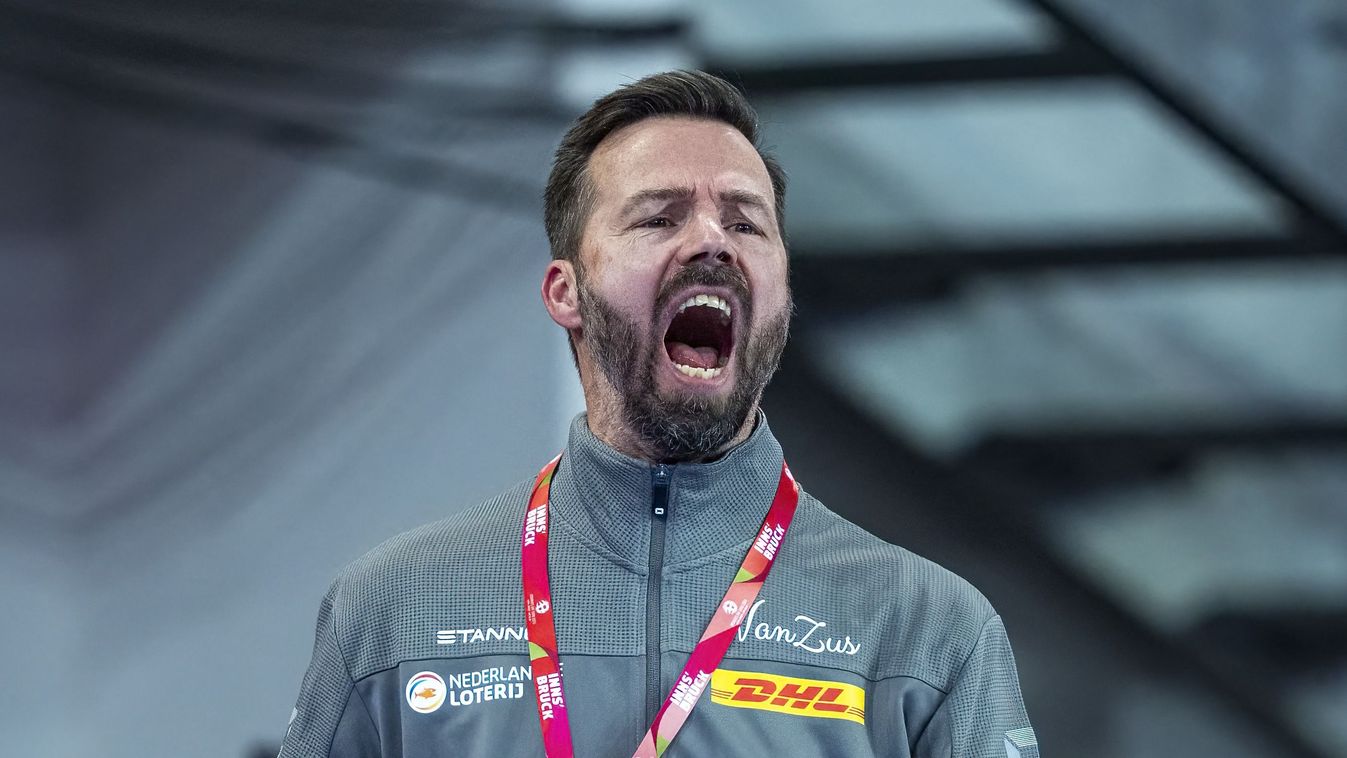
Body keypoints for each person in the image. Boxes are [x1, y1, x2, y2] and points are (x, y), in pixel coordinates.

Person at [278, 70, 1037, 758]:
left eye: (745, 223)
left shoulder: (926, 630)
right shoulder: (393, 611)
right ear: (565, 292)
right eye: (657, 218)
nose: (710, 239)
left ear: (782, 293)